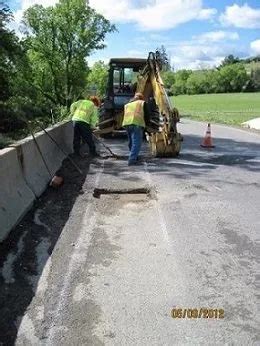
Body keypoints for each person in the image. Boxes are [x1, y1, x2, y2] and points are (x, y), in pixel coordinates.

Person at [122, 92, 149, 165]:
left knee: (131, 142)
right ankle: (132, 160)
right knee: (136, 143)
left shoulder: (128, 104)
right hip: (137, 124)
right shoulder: (142, 103)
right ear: (141, 98)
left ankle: (134, 157)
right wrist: (147, 125)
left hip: (127, 123)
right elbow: (147, 115)